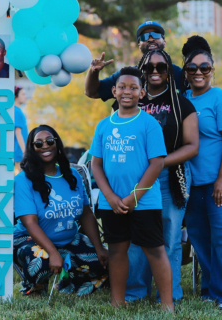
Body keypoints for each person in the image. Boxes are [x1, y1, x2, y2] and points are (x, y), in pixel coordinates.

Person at [90, 66, 174, 312]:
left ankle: (167, 305)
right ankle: (117, 301)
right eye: (123, 87)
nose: (128, 92)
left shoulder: (149, 124)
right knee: (117, 251)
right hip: (111, 202)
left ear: (142, 92)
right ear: (114, 91)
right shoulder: (103, 126)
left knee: (155, 251)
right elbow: (96, 164)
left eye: (134, 87)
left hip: (144, 201)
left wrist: (133, 197)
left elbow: (157, 163)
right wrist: (110, 196)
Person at [123, 49, 199, 302]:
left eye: (161, 67)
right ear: (142, 71)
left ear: (170, 72)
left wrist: (159, 163)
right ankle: (135, 292)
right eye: (149, 68)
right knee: (136, 237)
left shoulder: (183, 104)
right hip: (134, 177)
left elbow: (192, 145)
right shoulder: (130, 98)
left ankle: (168, 294)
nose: (155, 72)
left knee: (170, 236)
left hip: (170, 178)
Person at [14, 125, 108, 296]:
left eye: (50, 141)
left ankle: (68, 284)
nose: (45, 146)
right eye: (38, 144)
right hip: (29, 239)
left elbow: (86, 214)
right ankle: (34, 288)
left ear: (56, 143)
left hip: (68, 239)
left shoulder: (72, 175)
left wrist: (99, 247)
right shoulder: (23, 180)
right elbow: (30, 223)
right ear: (32, 148)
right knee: (41, 260)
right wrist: (52, 252)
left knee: (103, 262)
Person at [181, 38, 222, 306]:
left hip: (215, 182)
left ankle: (219, 293)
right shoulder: (182, 99)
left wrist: (221, 179)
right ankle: (209, 290)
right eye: (193, 68)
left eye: (204, 67)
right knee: (199, 239)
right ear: (185, 72)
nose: (198, 72)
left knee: (219, 240)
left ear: (212, 69)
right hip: (189, 184)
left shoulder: (218, 96)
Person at [84, 21, 182, 101]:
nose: (151, 39)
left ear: (164, 42)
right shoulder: (128, 75)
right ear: (139, 46)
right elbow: (92, 92)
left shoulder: (178, 74)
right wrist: (94, 71)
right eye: (144, 37)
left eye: (156, 35)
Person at [14, 86, 28, 174]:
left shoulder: (17, 110)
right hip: (19, 152)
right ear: (16, 96)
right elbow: (18, 134)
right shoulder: (17, 111)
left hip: (19, 152)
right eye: (23, 94)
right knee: (22, 177)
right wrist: (25, 152)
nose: (25, 96)